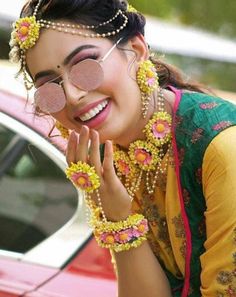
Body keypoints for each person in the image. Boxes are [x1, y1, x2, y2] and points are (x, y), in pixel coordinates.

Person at [9, 0, 236, 296]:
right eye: (50, 87)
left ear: (137, 50)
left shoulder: (221, 149)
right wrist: (118, 217)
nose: (73, 95)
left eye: (85, 66)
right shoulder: (106, 157)